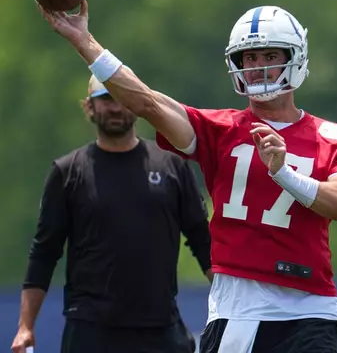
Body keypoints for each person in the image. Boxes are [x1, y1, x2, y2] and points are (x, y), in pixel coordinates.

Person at [38, 0, 337, 353]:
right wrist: (83, 40)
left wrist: (285, 174)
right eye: (249, 58)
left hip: (310, 308)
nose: (258, 67)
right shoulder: (220, 129)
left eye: (268, 55)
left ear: (295, 57)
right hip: (236, 308)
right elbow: (146, 102)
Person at [11, 75, 213, 353]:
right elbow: (44, 253)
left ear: (138, 105)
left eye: (123, 98)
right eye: (106, 99)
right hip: (91, 329)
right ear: (90, 107)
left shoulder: (173, 166)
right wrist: (25, 326)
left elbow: (203, 242)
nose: (116, 107)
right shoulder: (68, 172)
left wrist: (235, 301)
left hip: (160, 328)